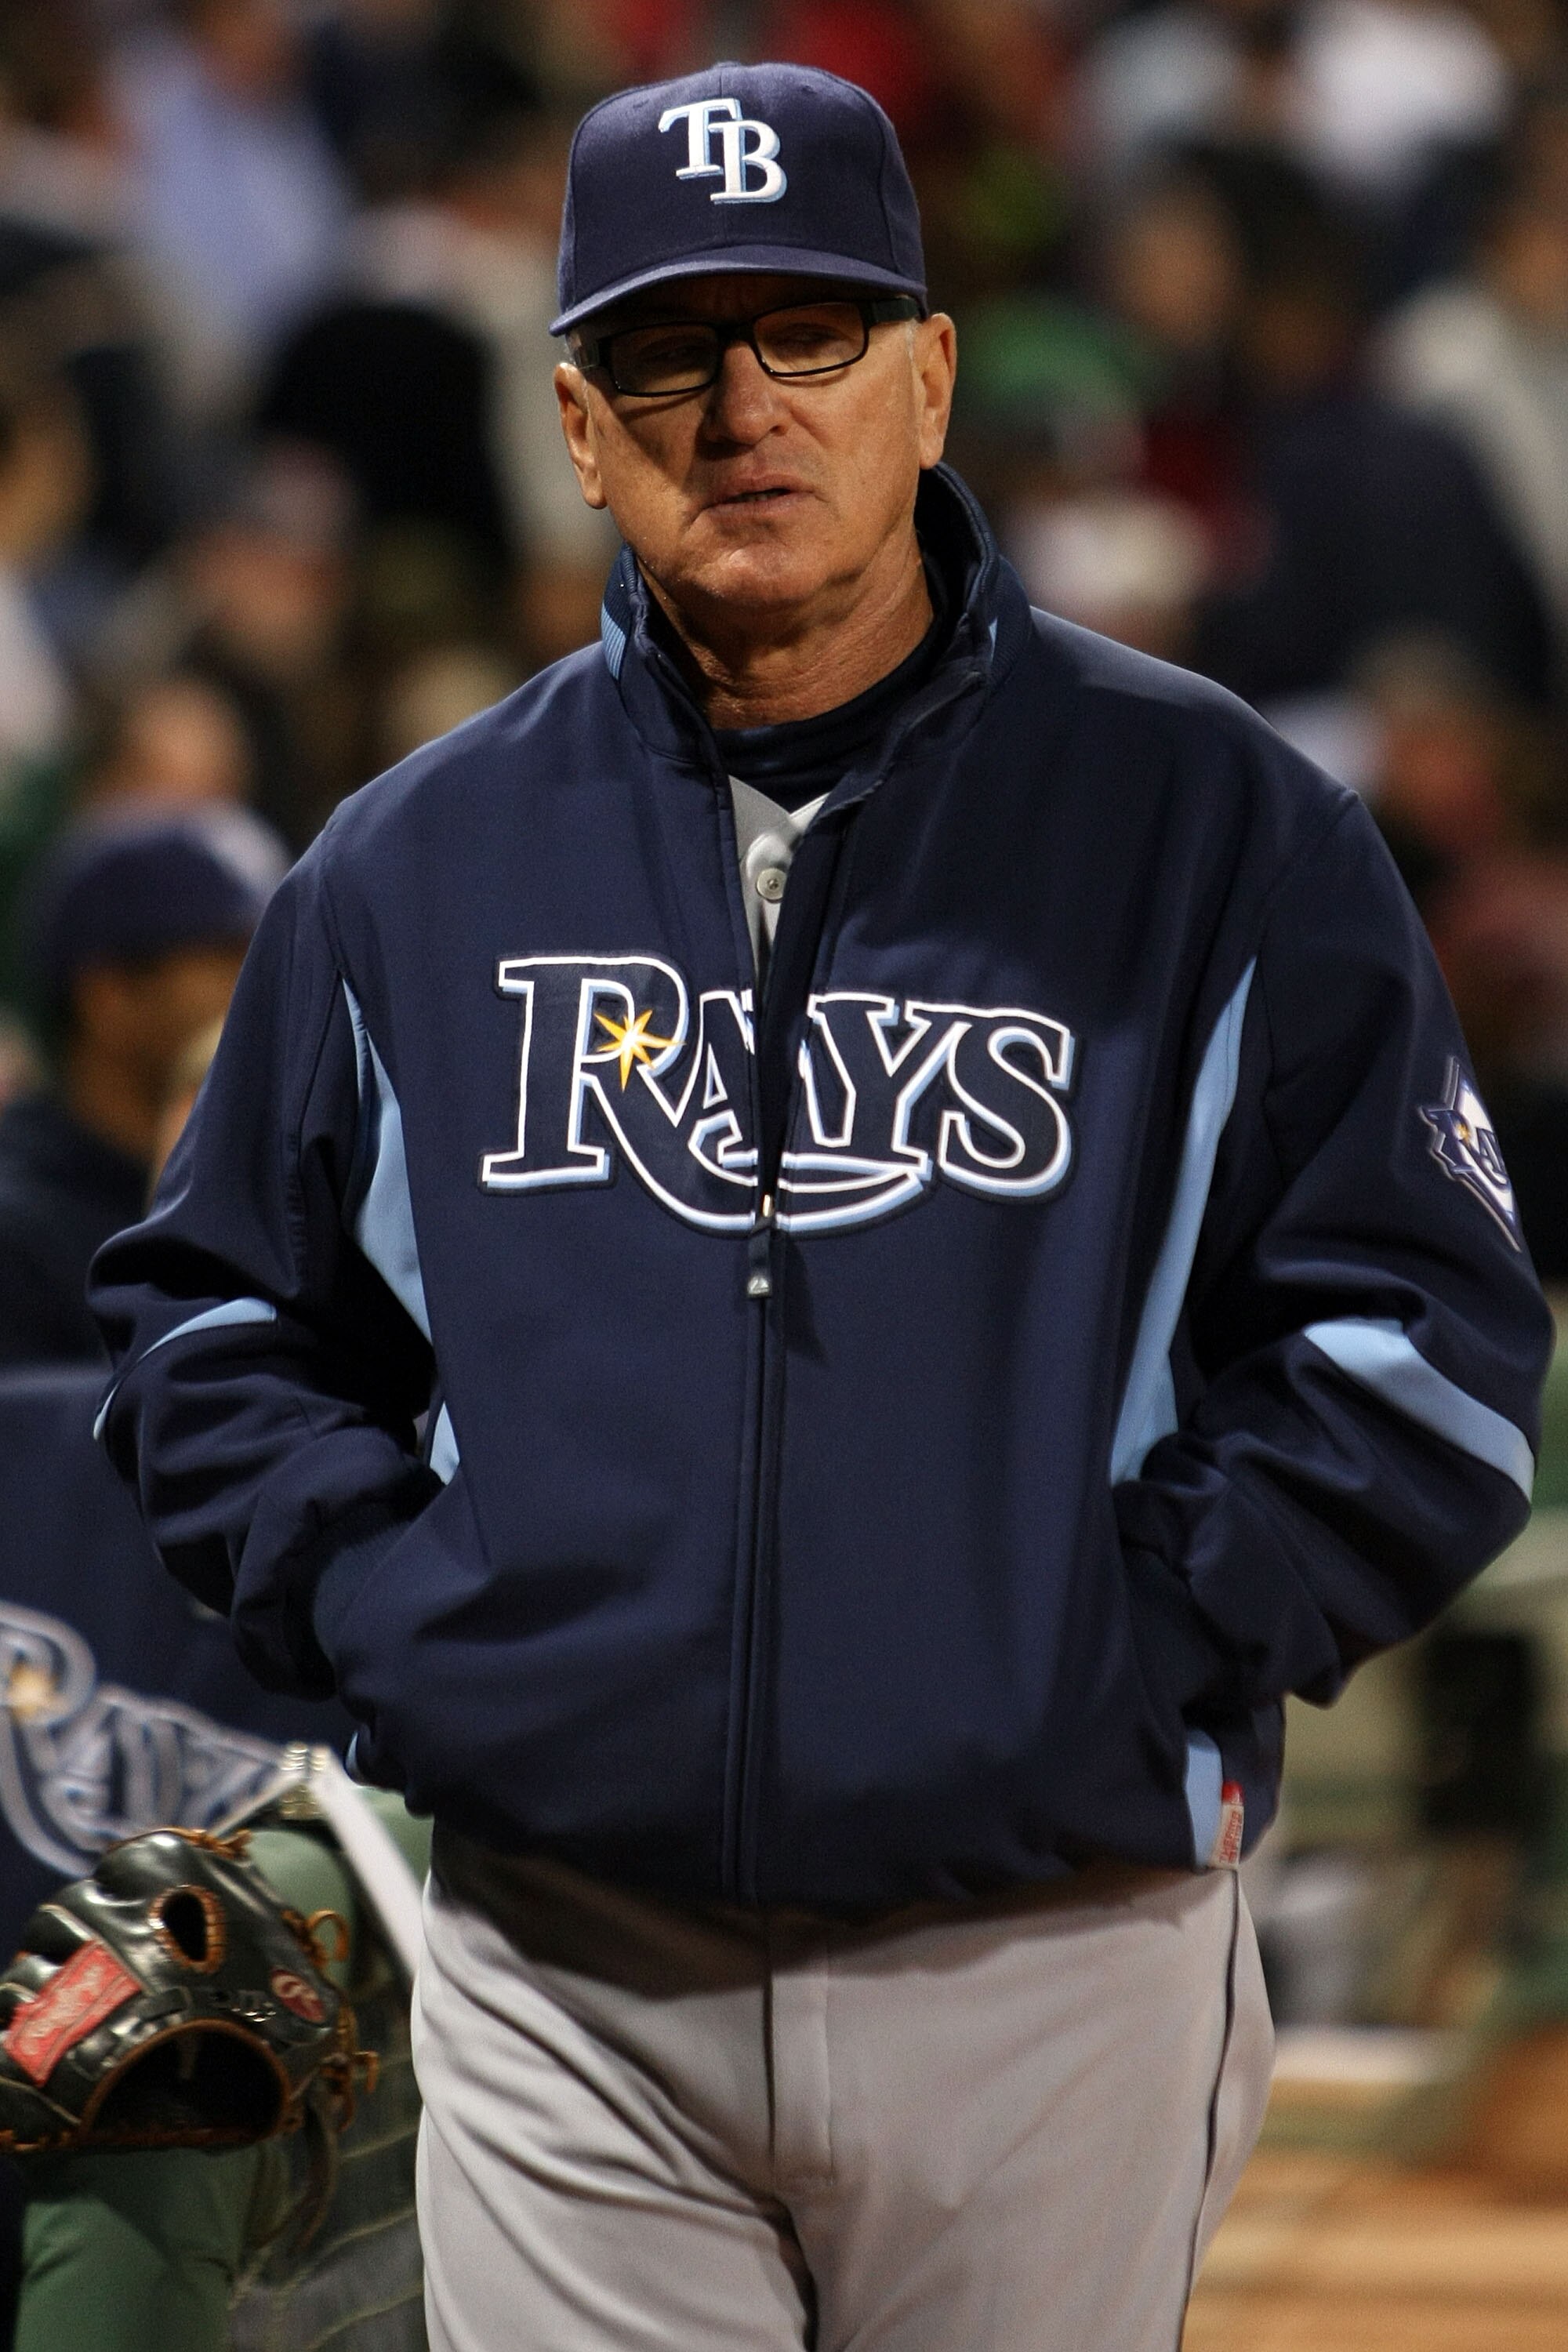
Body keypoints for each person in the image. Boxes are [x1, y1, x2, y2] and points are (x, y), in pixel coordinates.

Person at [90, 61, 1552, 2352]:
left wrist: (1134, 1642)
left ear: (930, 376)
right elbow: (208, 1334)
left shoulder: (1212, 826)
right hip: (573, 1962)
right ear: (577, 422)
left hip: (1043, 1946)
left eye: (813, 334)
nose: (742, 407)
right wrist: (415, 1617)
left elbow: (1427, 1344)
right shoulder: (410, 867)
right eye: (671, 351)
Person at [0, 811, 279, 1367]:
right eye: (228, 958)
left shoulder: (262, 1179)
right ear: (109, 1000)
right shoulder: (19, 1237)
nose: (265, 985)